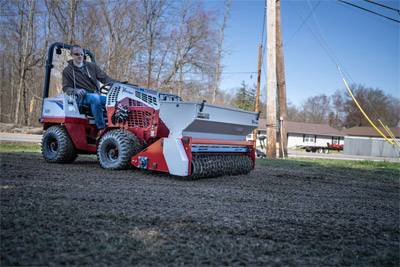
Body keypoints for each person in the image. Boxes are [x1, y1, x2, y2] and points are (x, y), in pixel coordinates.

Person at [62, 45, 116, 130]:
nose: (80, 56)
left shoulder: (92, 66)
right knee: (94, 98)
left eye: (81, 54)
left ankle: (114, 125)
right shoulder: (67, 71)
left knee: (112, 100)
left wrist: (117, 83)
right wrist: (77, 91)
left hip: (94, 93)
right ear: (71, 55)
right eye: (77, 54)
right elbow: (66, 88)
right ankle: (101, 128)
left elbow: (104, 78)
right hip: (79, 97)